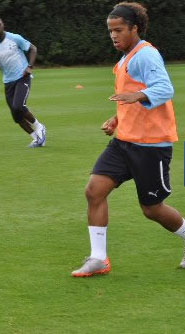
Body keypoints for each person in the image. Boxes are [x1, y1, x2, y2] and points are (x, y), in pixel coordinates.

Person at [72, 2, 185, 277]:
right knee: (94, 191)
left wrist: (137, 96)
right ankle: (99, 259)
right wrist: (117, 118)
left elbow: (164, 88)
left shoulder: (146, 55)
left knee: (152, 209)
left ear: (135, 29)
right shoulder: (124, 59)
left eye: (119, 30)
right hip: (124, 143)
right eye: (110, 30)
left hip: (150, 147)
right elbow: (129, 98)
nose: (113, 35)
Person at [0, 17, 46, 148]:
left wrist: (30, 66)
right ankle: (36, 138)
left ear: (3, 25)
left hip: (22, 76)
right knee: (16, 116)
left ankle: (39, 127)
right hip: (8, 81)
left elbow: (33, 49)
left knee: (18, 106)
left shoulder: (14, 38)